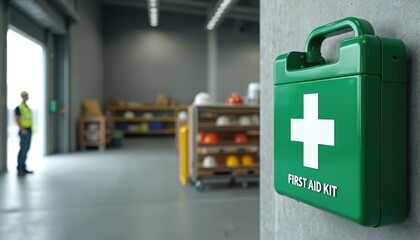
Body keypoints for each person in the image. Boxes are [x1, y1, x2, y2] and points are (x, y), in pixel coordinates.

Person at [15, 91, 34, 176]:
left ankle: (23, 167)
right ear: (23, 97)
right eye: (26, 96)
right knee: (23, 149)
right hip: (24, 131)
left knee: (26, 149)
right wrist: (22, 129)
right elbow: (17, 119)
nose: (27, 97)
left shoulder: (27, 107)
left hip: (29, 130)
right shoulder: (19, 107)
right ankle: (20, 169)